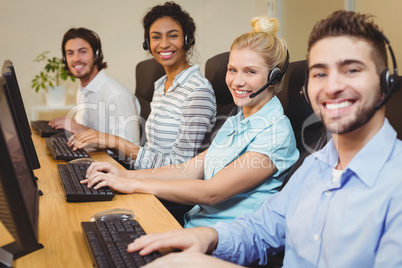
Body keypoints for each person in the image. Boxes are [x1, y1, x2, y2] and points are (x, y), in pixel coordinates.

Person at [127, 10, 402, 267]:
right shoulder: (315, 167)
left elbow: (212, 192)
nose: (332, 86)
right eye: (320, 73)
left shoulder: (395, 185)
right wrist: (208, 238)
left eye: (352, 70)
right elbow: (259, 230)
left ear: (386, 83)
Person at [83, 15, 299, 228]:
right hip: (195, 224)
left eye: (250, 72)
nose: (237, 81)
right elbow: (186, 170)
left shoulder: (275, 132)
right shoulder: (236, 121)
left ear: (275, 77)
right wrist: (124, 174)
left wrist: (132, 183)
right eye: (232, 70)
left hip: (226, 237)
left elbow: (211, 192)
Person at [67, 2, 217, 169]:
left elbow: (180, 168)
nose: (164, 44)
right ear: (148, 42)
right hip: (146, 176)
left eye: (173, 35)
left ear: (187, 39)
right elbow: (151, 152)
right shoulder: (162, 86)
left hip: (163, 189)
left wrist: (114, 141)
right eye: (156, 37)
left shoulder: (198, 91)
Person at [49, 27, 140, 144]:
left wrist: (78, 128)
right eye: (70, 53)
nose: (76, 58)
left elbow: (130, 149)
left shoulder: (116, 95)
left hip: (114, 162)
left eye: (83, 51)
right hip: (93, 156)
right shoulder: (84, 89)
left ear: (96, 55)